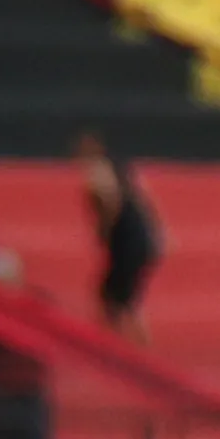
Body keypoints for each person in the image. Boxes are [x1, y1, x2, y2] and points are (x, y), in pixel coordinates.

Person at [75, 130, 159, 334]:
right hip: (138, 240)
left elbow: (110, 202)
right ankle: (123, 343)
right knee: (122, 299)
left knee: (115, 299)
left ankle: (117, 345)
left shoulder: (99, 172)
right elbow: (144, 203)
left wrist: (105, 229)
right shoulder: (123, 173)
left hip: (128, 241)